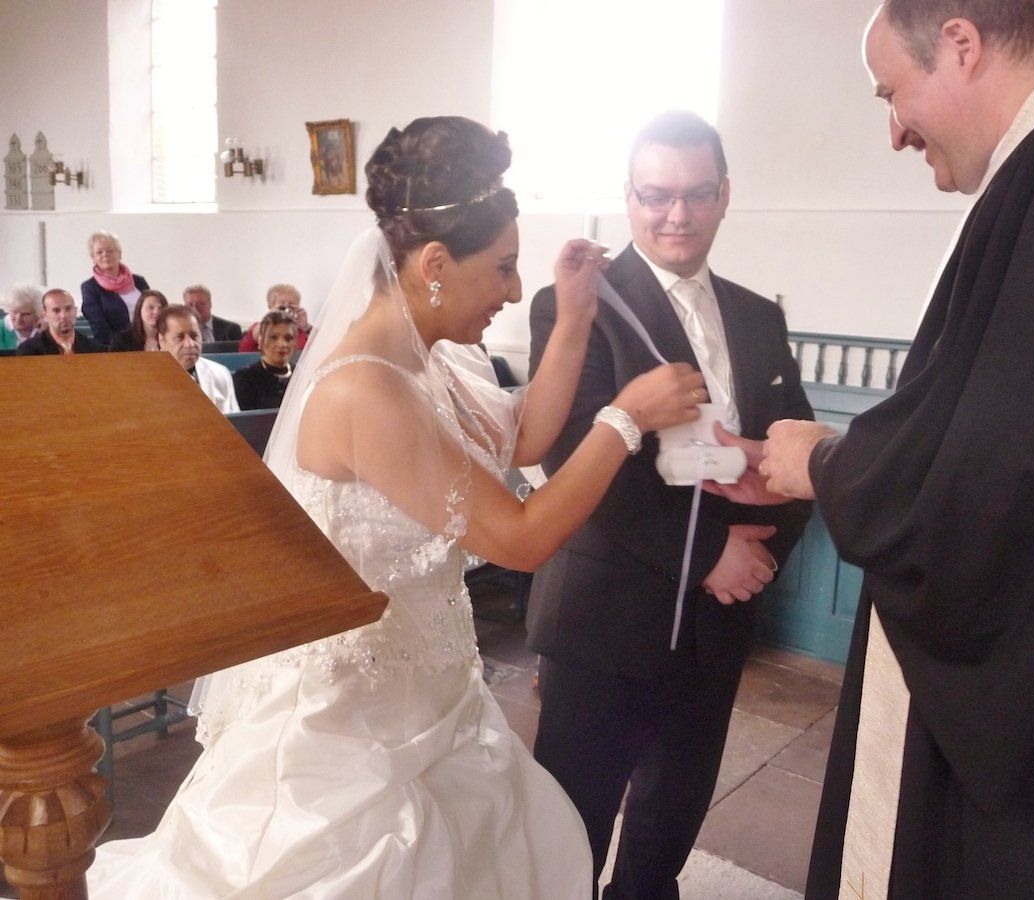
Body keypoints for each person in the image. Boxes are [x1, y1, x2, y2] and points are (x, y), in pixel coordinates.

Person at [87, 115, 703, 898]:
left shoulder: (434, 359)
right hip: (352, 729)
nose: (515, 289)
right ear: (436, 264)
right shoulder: (364, 389)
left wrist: (575, 319)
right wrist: (625, 418)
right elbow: (520, 538)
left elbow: (521, 437)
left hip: (432, 694)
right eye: (504, 267)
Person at [712, 2, 1034, 896]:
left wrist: (825, 463)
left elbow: (1007, 486)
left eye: (892, 92)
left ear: (962, 46)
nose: (895, 131)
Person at [526, 110, 815, 899]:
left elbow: (789, 448)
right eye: (656, 195)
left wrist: (757, 556)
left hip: (718, 622)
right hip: (605, 615)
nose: (676, 214)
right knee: (570, 829)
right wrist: (710, 556)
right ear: (628, 196)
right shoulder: (574, 304)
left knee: (670, 823)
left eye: (696, 194)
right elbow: (573, 459)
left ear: (724, 196)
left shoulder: (758, 315)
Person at [157, 304, 240, 413]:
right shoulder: (145, 379)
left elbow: (236, 420)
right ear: (162, 341)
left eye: (194, 336)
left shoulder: (220, 373)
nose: (190, 344)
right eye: (180, 337)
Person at [80, 231, 150, 346]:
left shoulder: (139, 281)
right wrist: (122, 347)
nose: (105, 254)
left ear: (119, 254)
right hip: (115, 347)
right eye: (99, 252)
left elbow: (154, 309)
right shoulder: (89, 288)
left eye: (110, 250)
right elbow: (99, 327)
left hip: (147, 342)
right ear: (93, 258)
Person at [232, 309, 297, 409]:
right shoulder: (244, 378)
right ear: (261, 341)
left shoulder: (301, 375)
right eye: (273, 337)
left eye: (288, 338)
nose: (282, 344)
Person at [16, 289, 103, 355]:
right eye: (56, 310)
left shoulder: (94, 349)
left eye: (68, 309)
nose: (63, 316)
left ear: (75, 311)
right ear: (45, 316)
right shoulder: (29, 351)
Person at [238, 283, 311, 352]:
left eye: (291, 304)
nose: (287, 307)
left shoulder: (300, 331)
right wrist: (271, 317)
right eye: (282, 304)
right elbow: (246, 347)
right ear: (270, 306)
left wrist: (305, 327)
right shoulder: (259, 327)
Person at [0, 283, 44, 350]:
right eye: (15, 312)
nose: (18, 319)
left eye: (25, 314)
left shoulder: (44, 330)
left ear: (37, 314)